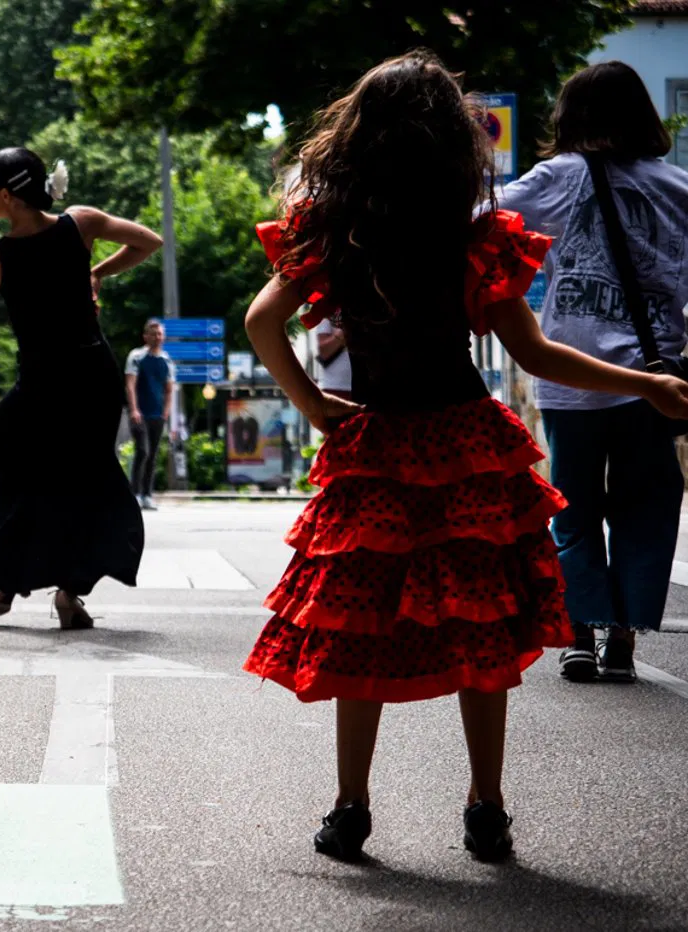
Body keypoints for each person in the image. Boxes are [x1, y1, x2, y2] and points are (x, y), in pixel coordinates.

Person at [242, 51, 688, 864]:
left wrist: (311, 405)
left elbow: (260, 324)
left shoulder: (335, 234)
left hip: (373, 451)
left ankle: (352, 807)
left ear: (359, 139)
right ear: (454, 142)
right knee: (482, 632)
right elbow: (540, 355)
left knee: (359, 632)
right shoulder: (473, 240)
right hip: (465, 450)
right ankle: (487, 804)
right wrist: (646, 384)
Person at [497, 61, 688, 685]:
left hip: (573, 373)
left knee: (573, 509)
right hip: (658, 378)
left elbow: (486, 216)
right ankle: (624, 638)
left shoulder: (563, 176)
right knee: (646, 507)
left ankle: (579, 632)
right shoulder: (679, 188)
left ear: (572, 117)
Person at [0, 148, 157, 628]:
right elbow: (147, 241)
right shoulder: (79, 223)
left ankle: (24, 582)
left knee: (3, 471)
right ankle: (51, 589)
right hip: (92, 374)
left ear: (6, 195)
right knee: (81, 481)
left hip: (43, 380)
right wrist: (98, 270)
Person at [124, 319, 176, 509]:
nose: (157, 337)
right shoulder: (136, 356)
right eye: (153, 334)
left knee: (152, 455)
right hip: (140, 413)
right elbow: (130, 384)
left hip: (158, 415)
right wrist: (134, 409)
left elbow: (169, 389)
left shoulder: (167, 360)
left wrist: (166, 412)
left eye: (160, 334)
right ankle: (135, 493)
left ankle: (147, 494)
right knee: (142, 451)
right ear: (146, 336)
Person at [312, 318, 352, 399]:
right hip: (333, 388)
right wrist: (346, 330)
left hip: (367, 389)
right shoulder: (329, 313)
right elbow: (324, 351)